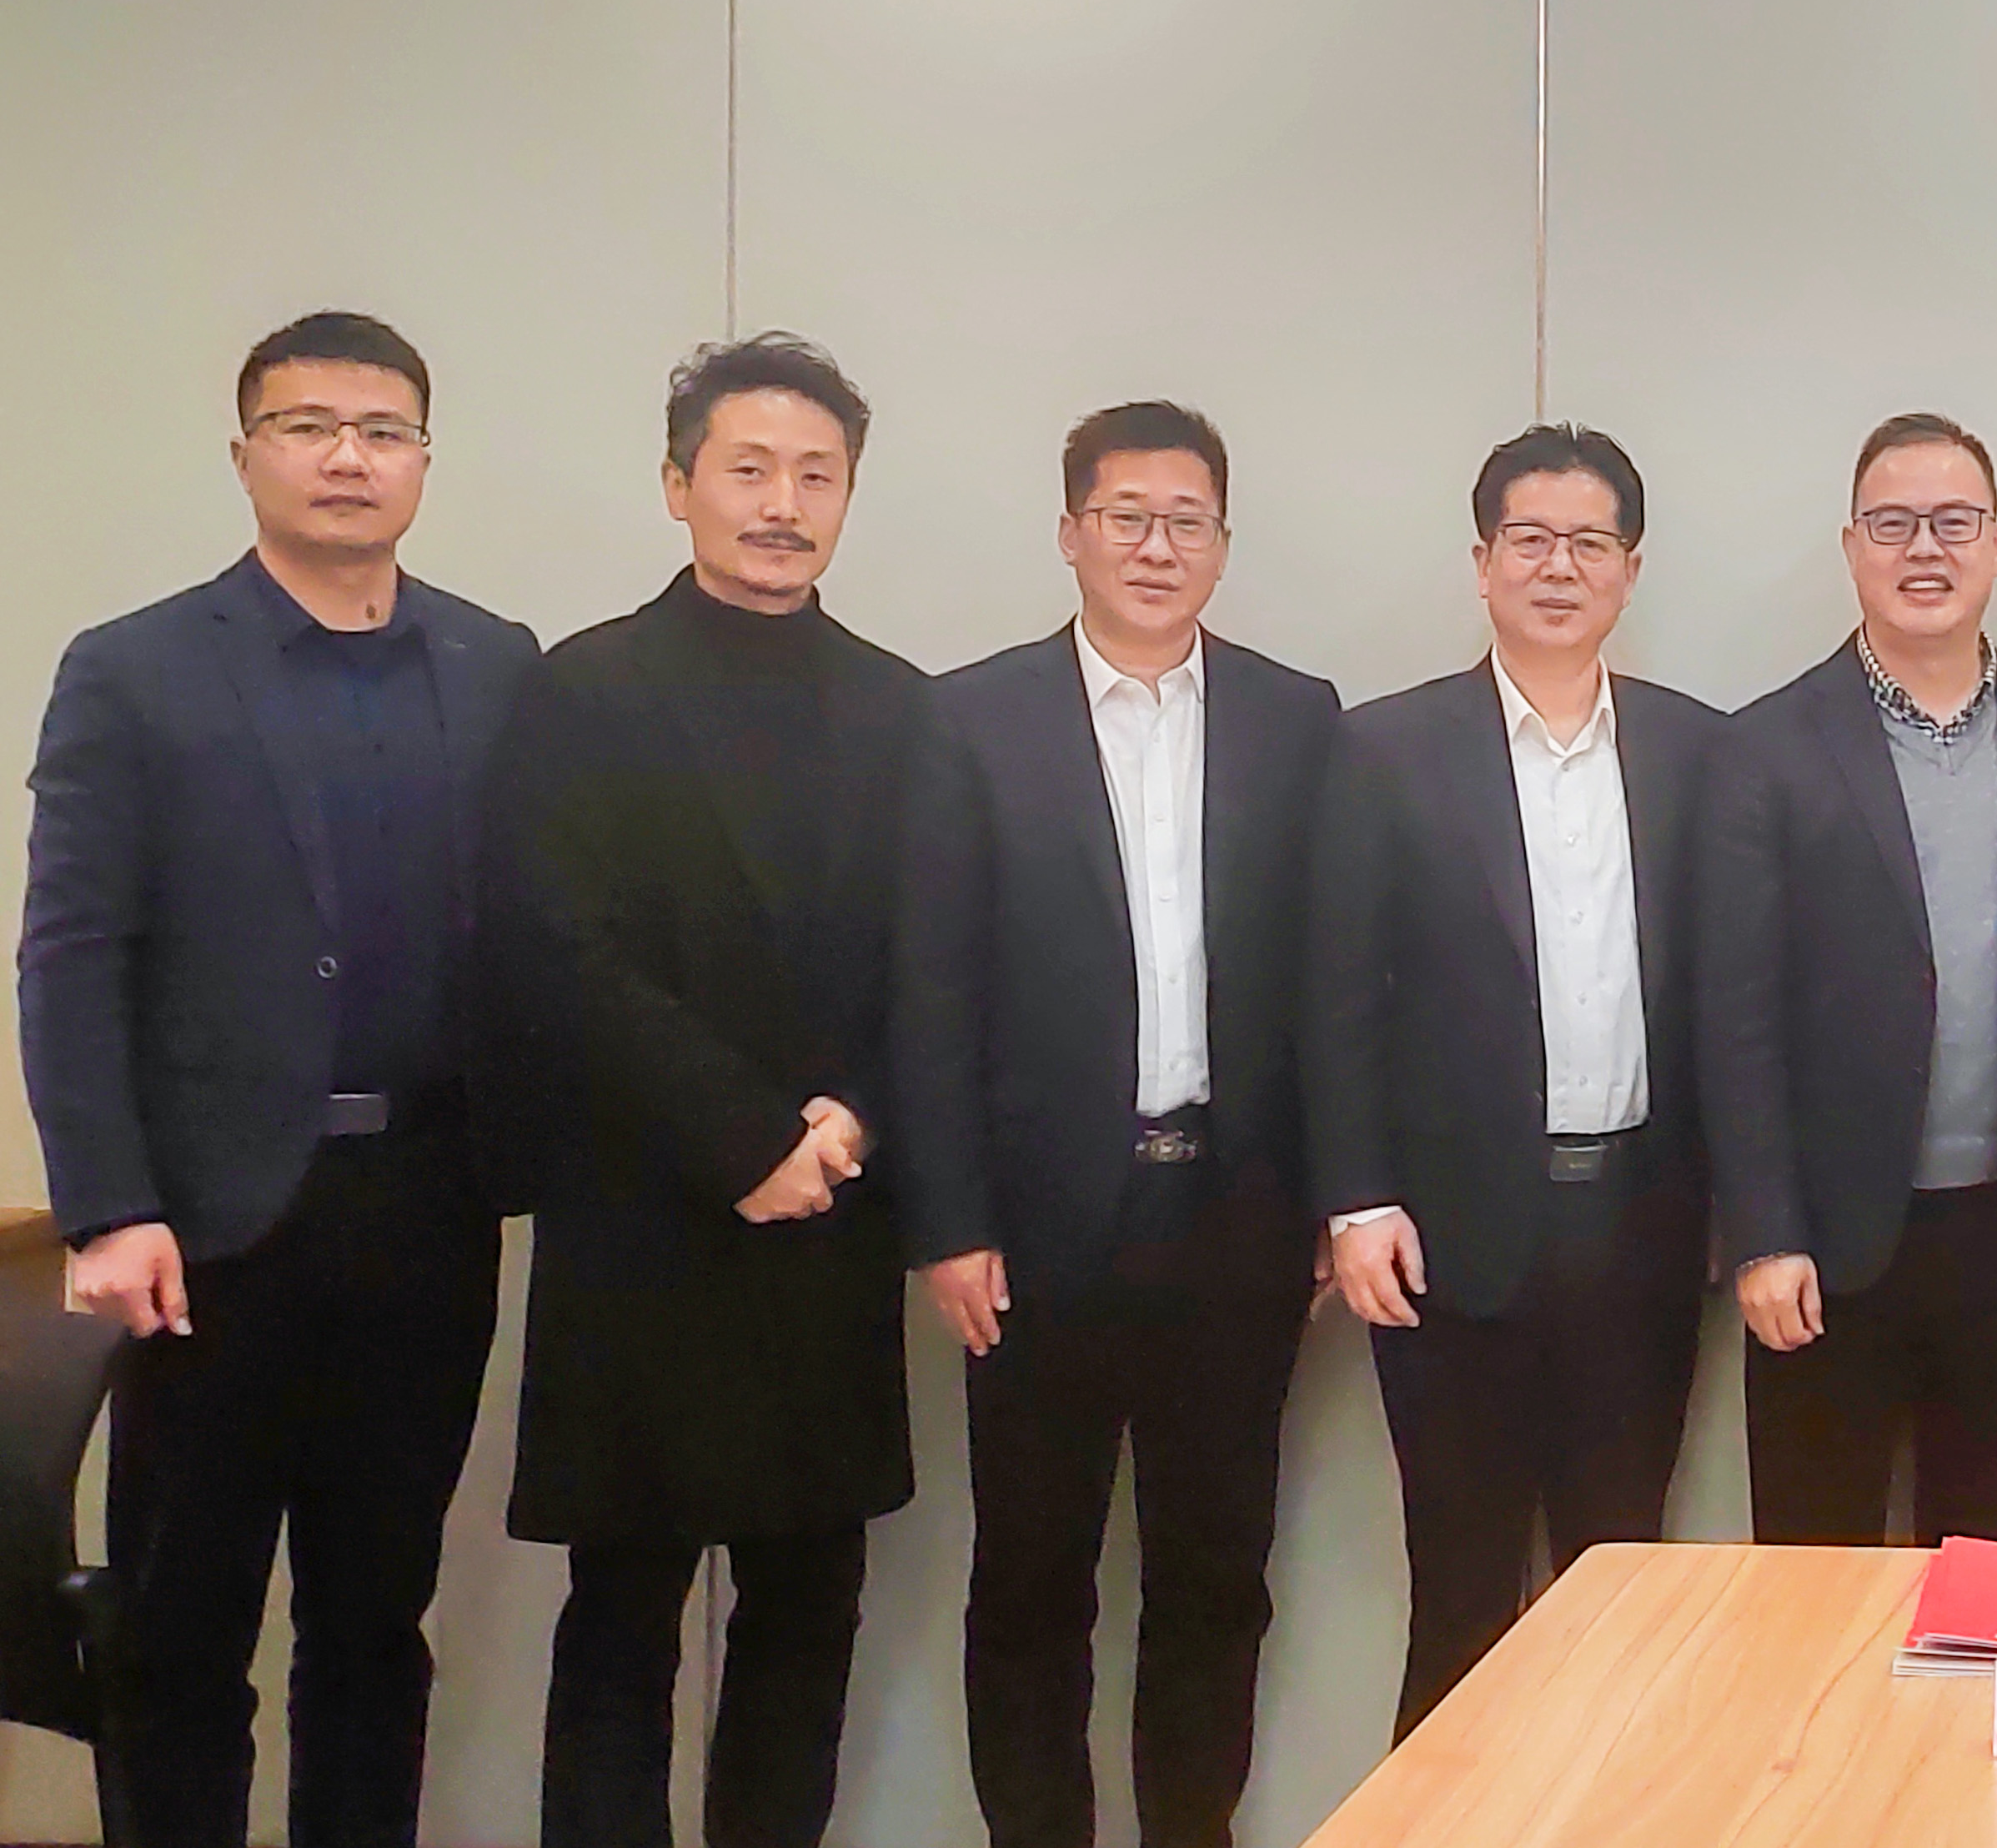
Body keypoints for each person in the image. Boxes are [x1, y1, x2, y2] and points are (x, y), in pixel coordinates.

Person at [18, 314, 536, 1848]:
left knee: (375, 1623)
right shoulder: (134, 668)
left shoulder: (495, 664)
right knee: (182, 1630)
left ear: (424, 461)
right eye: (308, 426)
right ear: (245, 454)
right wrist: (108, 1206)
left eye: (383, 430)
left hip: (427, 1207)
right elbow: (71, 956)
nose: (347, 457)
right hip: (209, 1226)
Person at [486, 333, 930, 1848]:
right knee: (622, 1616)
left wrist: (853, 1118)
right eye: (748, 469)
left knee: (809, 1607)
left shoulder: (900, 708)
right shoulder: (582, 687)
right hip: (645, 1220)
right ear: (678, 485)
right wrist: (744, 1138)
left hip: (829, 1222)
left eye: (816, 475)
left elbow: (931, 964)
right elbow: (557, 949)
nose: (781, 504)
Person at [891, 403, 1339, 1846]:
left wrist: (1331, 1196)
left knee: (1218, 1575)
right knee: (1032, 1578)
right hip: (1035, 1228)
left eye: (1185, 520)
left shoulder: (1295, 717)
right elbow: (930, 988)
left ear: (1222, 541)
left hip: (1235, 1212)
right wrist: (948, 1220)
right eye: (1126, 516)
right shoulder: (969, 719)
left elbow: (1326, 984)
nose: (1157, 546)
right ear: (1070, 532)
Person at [1307, 424, 1728, 1738]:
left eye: (1589, 543)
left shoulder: (1698, 751)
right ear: (1483, 562)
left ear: (1631, 570)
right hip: (1448, 1241)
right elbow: (1334, 993)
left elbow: (1731, 1001)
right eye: (1530, 540)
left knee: (1623, 1590)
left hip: (1643, 1229)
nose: (1559, 567)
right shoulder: (1383, 749)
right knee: (1462, 1595)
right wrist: (1356, 1199)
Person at [1700, 414, 1997, 1547]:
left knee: (1989, 1579)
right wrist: (1763, 1233)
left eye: (1953, 522)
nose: (1923, 548)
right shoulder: (1765, 744)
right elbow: (1733, 1017)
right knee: (1810, 1582)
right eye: (1891, 524)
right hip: (1825, 1249)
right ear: (1850, 548)